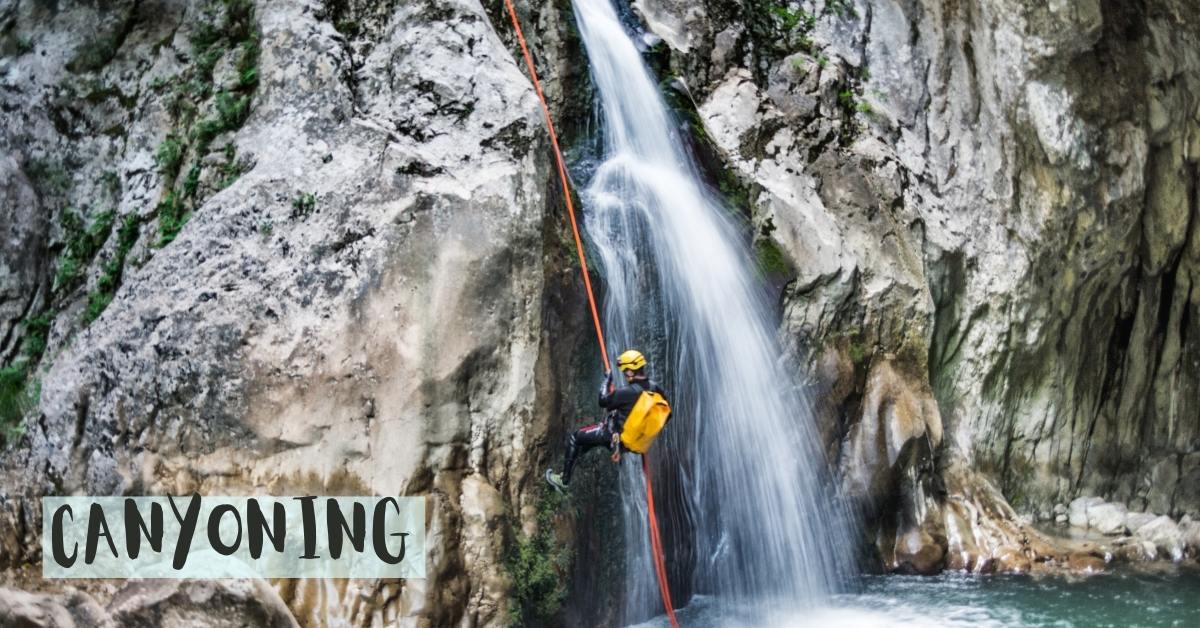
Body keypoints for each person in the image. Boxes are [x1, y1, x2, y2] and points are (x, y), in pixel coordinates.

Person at [545, 349, 666, 493]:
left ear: (630, 371)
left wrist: (607, 380)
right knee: (585, 444)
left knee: (575, 438)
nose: (624, 373)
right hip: (632, 443)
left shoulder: (626, 392)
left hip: (611, 436)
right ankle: (570, 464)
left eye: (625, 370)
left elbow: (602, 400)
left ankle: (564, 481)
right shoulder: (655, 387)